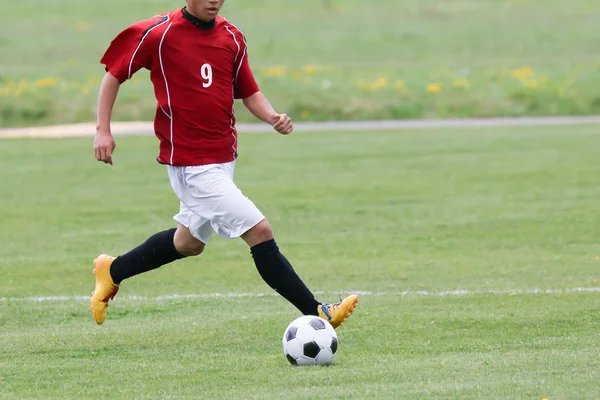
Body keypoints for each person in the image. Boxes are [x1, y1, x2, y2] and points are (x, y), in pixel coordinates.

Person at [91, 0, 359, 328]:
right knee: (259, 231)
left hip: (223, 159)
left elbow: (249, 93)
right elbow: (113, 76)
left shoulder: (231, 37)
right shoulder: (158, 34)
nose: (214, 1)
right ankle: (317, 311)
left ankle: (112, 270)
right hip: (191, 165)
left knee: (187, 243)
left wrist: (272, 116)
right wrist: (103, 130)